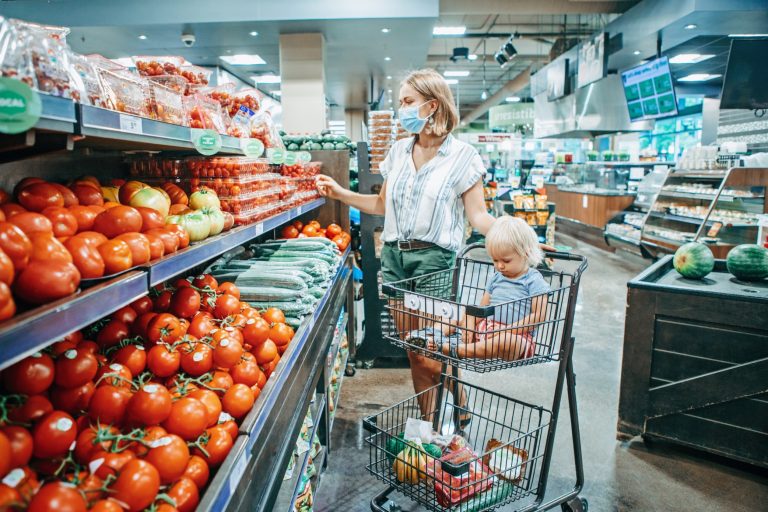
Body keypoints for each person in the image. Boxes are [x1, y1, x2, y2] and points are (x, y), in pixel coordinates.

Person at [316, 68, 495, 417]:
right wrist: (340, 193)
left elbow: (479, 217)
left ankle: (428, 425)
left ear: (431, 106)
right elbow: (381, 206)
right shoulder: (398, 152)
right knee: (415, 349)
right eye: (400, 102)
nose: (402, 108)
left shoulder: (463, 157)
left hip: (434, 262)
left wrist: (511, 235)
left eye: (408, 101)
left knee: (428, 351)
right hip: (395, 259)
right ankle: (447, 405)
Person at [423, 215, 550, 361]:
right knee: (455, 313)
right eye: (495, 260)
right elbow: (482, 309)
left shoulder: (534, 280)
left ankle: (457, 349)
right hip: (486, 330)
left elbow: (538, 316)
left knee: (507, 341)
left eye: (506, 260)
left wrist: (509, 329)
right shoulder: (497, 278)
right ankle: (430, 337)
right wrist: (469, 323)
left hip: (516, 338)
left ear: (526, 253)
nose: (499, 266)